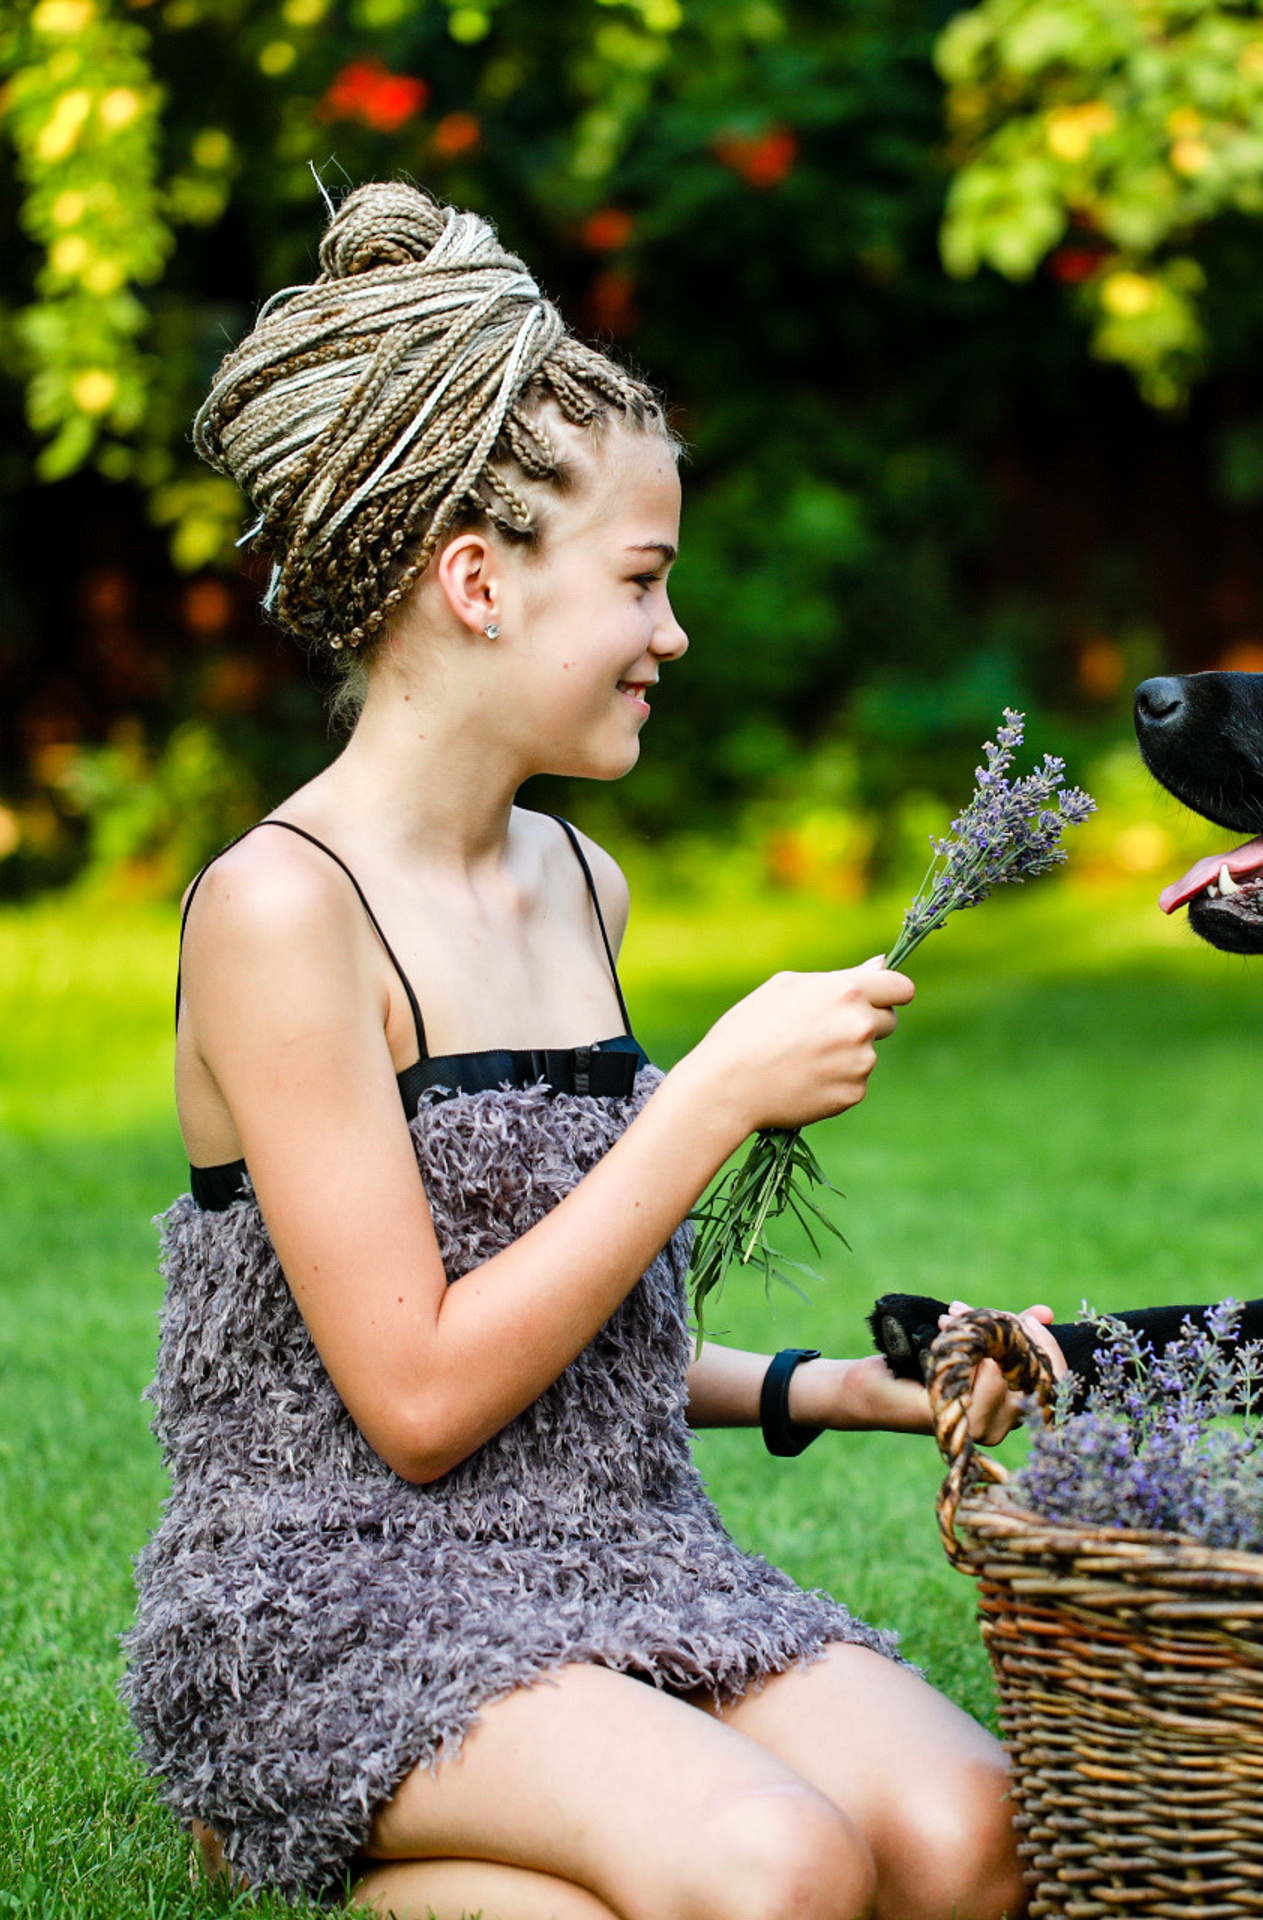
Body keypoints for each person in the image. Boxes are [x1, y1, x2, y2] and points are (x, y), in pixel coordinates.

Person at [122, 180, 1058, 1920]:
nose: (672, 635)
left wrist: (827, 1390)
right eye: (643, 581)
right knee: (780, 1866)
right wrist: (706, 1100)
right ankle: (286, 1816)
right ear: (478, 582)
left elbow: (573, 1310)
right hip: (337, 1597)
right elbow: (411, 1399)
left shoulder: (580, 882)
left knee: (969, 1833)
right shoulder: (281, 914)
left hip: (618, 1556)